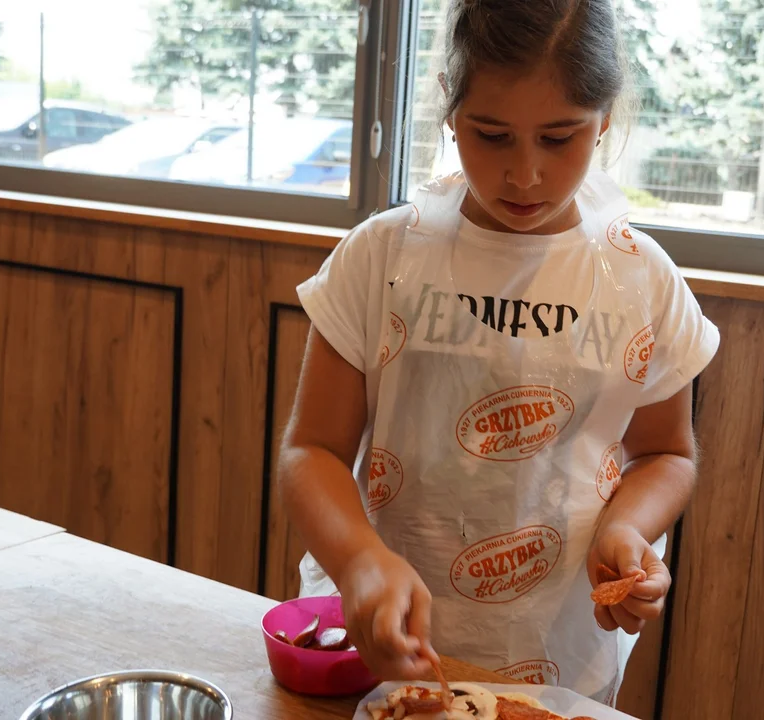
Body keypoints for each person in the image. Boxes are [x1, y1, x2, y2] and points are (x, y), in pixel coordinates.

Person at [278, 0, 720, 704]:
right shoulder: (382, 255)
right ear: (452, 114)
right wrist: (360, 562)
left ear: (604, 121)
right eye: (491, 135)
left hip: (560, 654)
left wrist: (627, 528)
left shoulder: (641, 276)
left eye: (558, 138)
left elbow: (667, 453)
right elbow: (312, 451)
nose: (525, 175)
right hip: (388, 645)